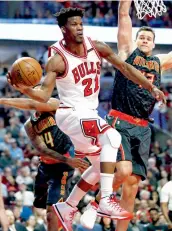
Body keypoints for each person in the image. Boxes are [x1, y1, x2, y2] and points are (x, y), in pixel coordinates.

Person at [7, 7, 165, 231]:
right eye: (73, 25)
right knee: (111, 136)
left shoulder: (96, 46)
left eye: (81, 24)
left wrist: (150, 86)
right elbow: (43, 95)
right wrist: (22, 88)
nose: (79, 28)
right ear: (64, 29)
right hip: (70, 113)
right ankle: (107, 200)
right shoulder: (57, 59)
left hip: (89, 114)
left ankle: (68, 205)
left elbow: (125, 68)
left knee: (103, 165)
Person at [80, 0, 172, 230]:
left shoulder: (159, 63)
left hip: (143, 128)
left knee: (131, 187)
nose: (144, 40)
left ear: (154, 44)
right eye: (141, 37)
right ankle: (94, 205)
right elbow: (123, 14)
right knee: (123, 170)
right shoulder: (126, 51)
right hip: (120, 120)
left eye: (149, 38)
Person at [0, 95, 89, 231]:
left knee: (52, 213)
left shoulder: (54, 105)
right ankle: (67, 211)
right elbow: (42, 148)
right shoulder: (29, 124)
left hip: (63, 165)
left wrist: (68, 160)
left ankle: (66, 210)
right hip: (45, 166)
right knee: (44, 211)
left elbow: (32, 103)